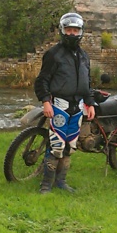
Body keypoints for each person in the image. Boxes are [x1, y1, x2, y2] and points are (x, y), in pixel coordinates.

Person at [32, 12, 96, 194]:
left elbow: (87, 82)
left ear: (81, 32)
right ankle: (46, 185)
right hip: (59, 106)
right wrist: (45, 101)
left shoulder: (84, 56)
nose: (72, 34)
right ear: (62, 31)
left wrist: (90, 103)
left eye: (75, 30)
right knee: (56, 145)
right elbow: (42, 80)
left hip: (78, 107)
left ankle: (61, 181)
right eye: (69, 30)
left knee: (70, 146)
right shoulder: (53, 54)